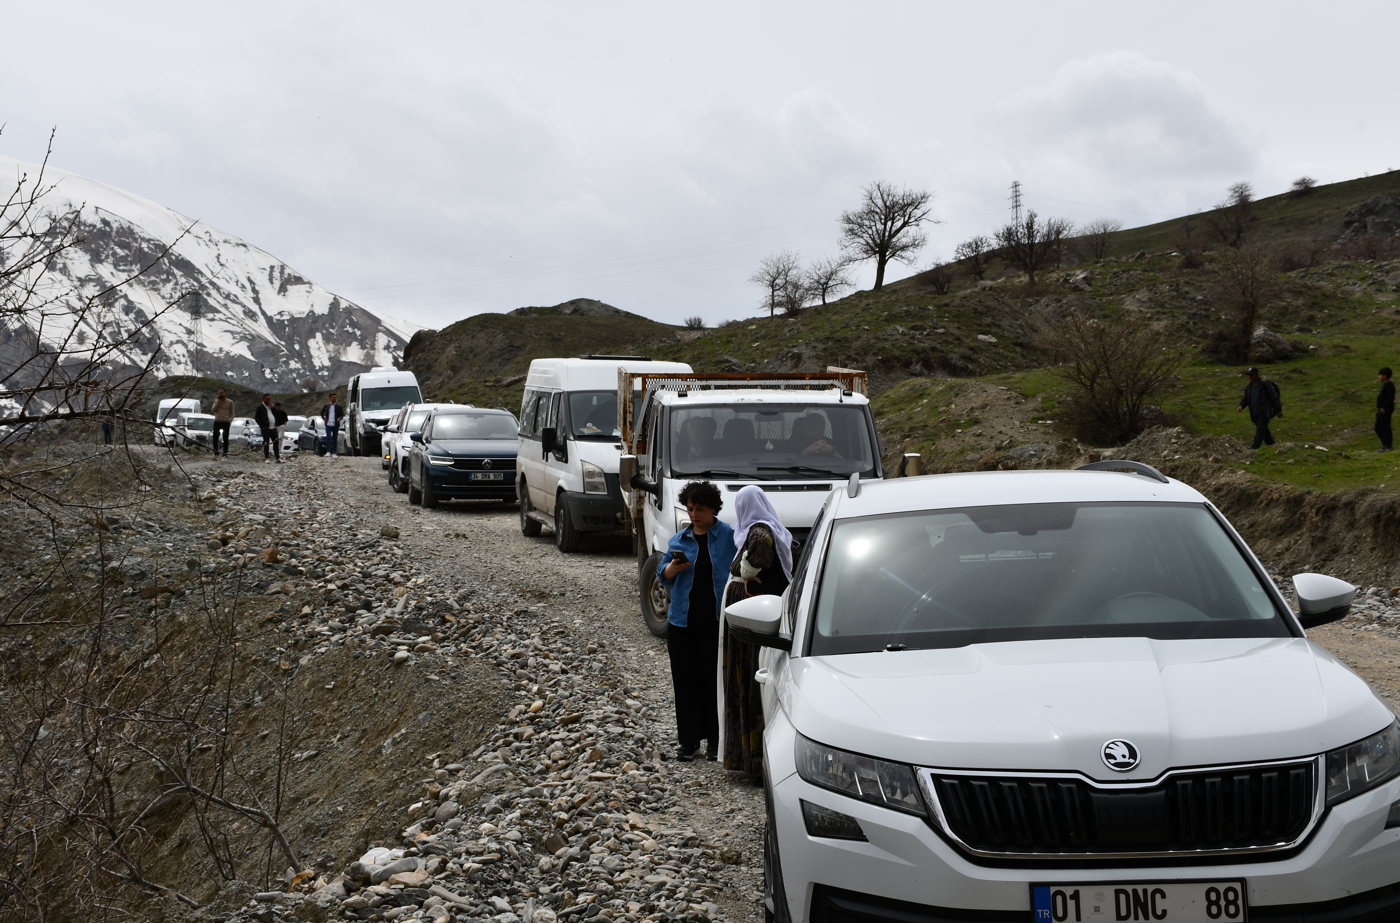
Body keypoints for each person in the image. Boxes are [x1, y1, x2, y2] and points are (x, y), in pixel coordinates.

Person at [657, 481, 736, 761]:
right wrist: (671, 568)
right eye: (690, 509)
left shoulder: (729, 536)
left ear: (713, 508)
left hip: (714, 623)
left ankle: (716, 740)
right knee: (685, 683)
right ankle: (688, 743)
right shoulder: (680, 539)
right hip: (681, 624)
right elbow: (661, 574)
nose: (694, 515)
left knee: (712, 683)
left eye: (700, 509)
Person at [720, 485, 793, 780]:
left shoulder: (758, 530)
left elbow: (758, 556)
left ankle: (751, 759)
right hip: (747, 604)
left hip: (749, 608)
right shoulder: (762, 528)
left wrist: (749, 575)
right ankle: (746, 757)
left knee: (747, 673)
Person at [1236, 367, 1283, 450]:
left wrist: (1278, 410)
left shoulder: (1265, 385)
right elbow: (1246, 399)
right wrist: (1241, 405)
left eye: (1252, 375)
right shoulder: (1249, 387)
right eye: (1249, 375)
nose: (1250, 377)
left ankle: (1255, 446)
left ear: (1257, 375)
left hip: (1264, 412)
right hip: (1254, 413)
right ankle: (1272, 446)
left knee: (1260, 431)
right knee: (1264, 432)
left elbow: (1274, 397)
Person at [254, 394, 280, 463]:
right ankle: (266, 458)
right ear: (263, 399)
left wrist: (273, 408)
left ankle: (277, 458)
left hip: (273, 427)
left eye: (269, 399)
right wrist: (262, 426)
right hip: (266, 428)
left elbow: (278, 414)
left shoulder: (272, 407)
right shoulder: (260, 407)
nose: (268, 400)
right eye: (267, 399)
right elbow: (257, 418)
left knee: (276, 443)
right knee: (266, 443)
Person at [211, 388, 235, 458]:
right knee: (215, 438)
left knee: (225, 438)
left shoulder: (230, 402)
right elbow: (213, 410)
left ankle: (225, 454)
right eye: (219, 393)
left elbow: (232, 413)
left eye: (222, 393)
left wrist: (230, 421)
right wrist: (218, 402)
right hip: (217, 421)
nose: (220, 394)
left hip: (225, 422)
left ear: (225, 393)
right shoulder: (216, 401)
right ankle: (216, 454)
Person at [1378, 367, 1395, 452]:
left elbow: (1390, 397)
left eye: (1380, 375)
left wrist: (1384, 407)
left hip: (1385, 409)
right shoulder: (1384, 385)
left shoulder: (1389, 385)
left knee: (1385, 427)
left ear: (1385, 376)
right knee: (1378, 427)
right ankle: (1384, 445)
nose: (1379, 376)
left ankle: (1388, 446)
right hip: (1380, 409)